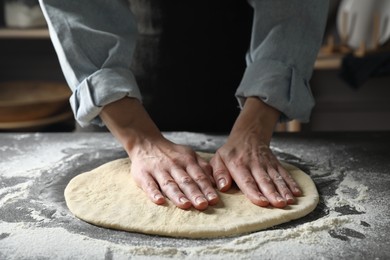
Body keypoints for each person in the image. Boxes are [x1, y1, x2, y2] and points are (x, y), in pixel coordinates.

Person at [39, 0, 329, 210]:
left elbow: (295, 9)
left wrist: (255, 127)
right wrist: (139, 138)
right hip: (115, 95)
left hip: (240, 79)